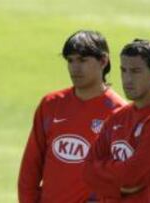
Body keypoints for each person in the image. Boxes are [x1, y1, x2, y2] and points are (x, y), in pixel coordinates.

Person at [18, 30, 126, 203]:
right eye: (70, 60)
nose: (75, 68)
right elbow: (31, 166)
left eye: (82, 60)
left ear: (103, 61)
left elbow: (124, 179)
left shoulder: (120, 114)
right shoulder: (51, 104)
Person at [83, 39, 150, 202]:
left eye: (136, 71)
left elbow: (131, 177)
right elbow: (87, 171)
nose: (127, 79)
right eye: (123, 70)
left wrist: (105, 173)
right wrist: (120, 180)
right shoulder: (117, 117)